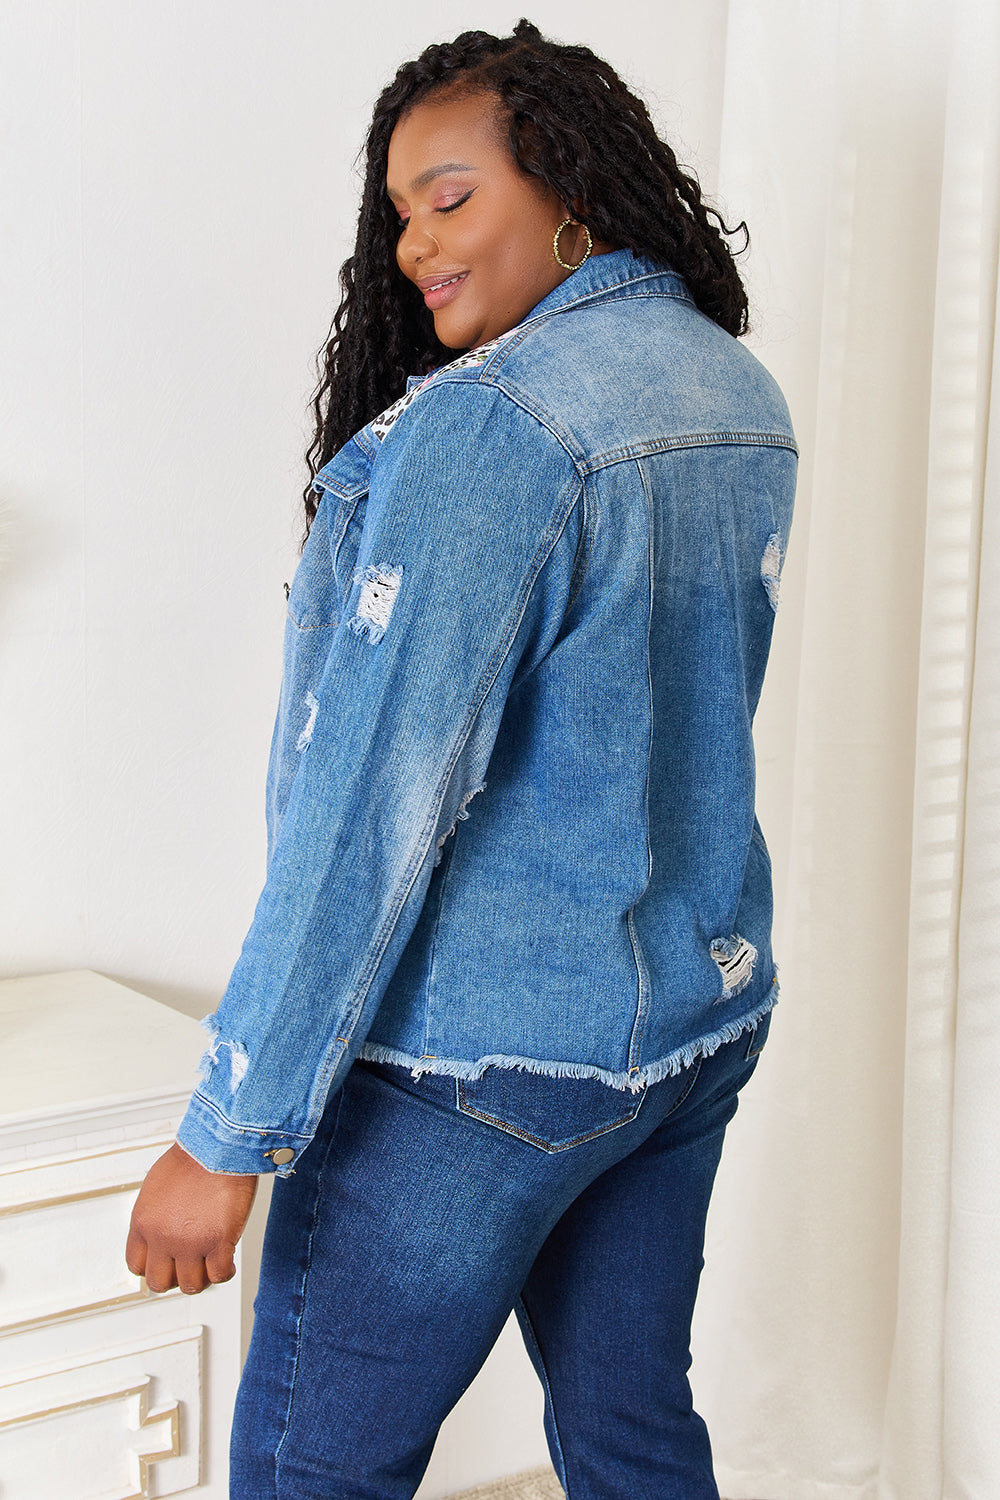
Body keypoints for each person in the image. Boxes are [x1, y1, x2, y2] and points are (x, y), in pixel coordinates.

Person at [126, 19, 796, 1499]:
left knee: (316, 1473)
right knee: (633, 1442)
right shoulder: (732, 391)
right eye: (399, 214)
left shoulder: (498, 430)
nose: (417, 245)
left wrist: (226, 1133)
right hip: (685, 1030)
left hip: (473, 1067)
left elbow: (370, 812)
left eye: (450, 195)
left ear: (564, 184)